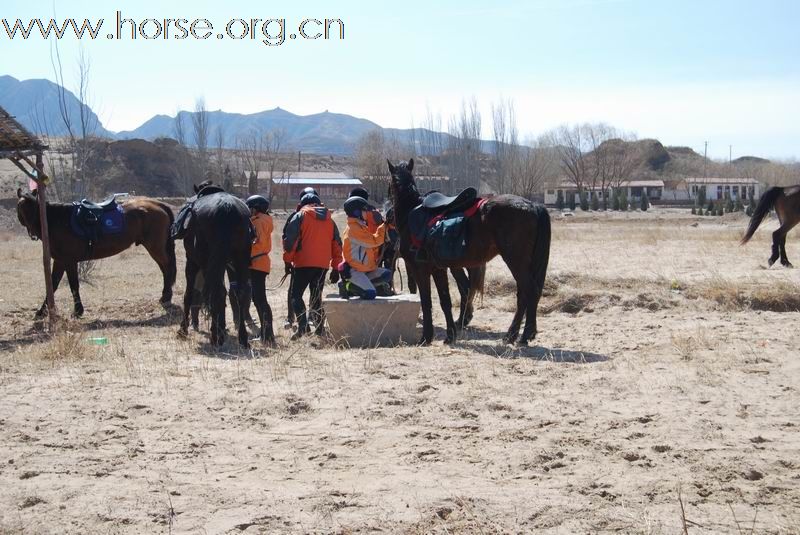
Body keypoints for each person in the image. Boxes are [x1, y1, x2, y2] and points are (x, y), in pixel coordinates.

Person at [282, 192, 343, 339]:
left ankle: (303, 327)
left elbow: (290, 241)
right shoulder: (330, 220)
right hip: (322, 265)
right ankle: (320, 328)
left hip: (303, 263)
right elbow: (337, 245)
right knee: (316, 296)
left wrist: (287, 261)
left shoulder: (300, 215)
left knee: (295, 295)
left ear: (303, 203)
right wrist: (335, 267)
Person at [340, 196, 393, 299]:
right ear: (357, 212)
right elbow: (374, 241)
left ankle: (361, 285)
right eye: (364, 210)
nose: (367, 213)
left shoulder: (360, 226)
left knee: (387, 275)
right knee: (370, 294)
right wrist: (384, 226)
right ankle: (347, 285)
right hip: (354, 270)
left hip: (365, 269)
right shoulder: (353, 229)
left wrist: (386, 226)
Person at [281, 187, 319, 329]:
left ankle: (294, 319)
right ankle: (307, 319)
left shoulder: (297, 215)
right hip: (315, 262)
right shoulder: (324, 216)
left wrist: (287, 260)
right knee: (313, 292)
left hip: (301, 261)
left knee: (294, 291)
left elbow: (287, 238)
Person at [245, 194, 276, 345]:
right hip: (261, 262)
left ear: (256, 209)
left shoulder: (258, 223)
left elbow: (256, 242)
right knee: (259, 299)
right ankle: (267, 334)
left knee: (260, 300)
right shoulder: (265, 220)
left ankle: (268, 335)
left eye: (250, 208)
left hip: (256, 262)